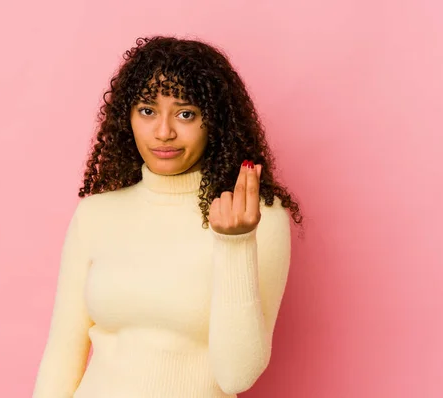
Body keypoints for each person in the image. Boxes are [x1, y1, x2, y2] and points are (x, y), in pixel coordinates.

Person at [32, 36, 303, 398]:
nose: (163, 132)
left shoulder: (258, 218)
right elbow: (62, 356)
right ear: (126, 117)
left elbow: (236, 376)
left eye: (185, 113)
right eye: (147, 111)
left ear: (215, 122)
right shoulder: (96, 213)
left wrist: (236, 243)